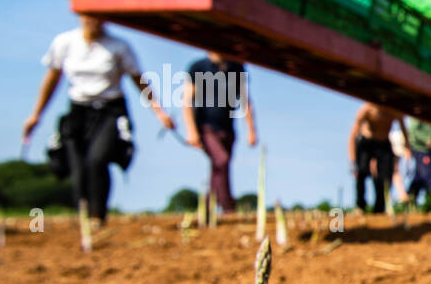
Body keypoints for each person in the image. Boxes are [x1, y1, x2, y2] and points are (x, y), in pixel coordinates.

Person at [22, 15, 174, 225]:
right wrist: (36, 114)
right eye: (88, 16)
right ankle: (84, 212)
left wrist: (159, 111)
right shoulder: (64, 43)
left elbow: (138, 80)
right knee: (77, 167)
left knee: (98, 159)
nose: (93, 21)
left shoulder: (118, 46)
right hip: (78, 110)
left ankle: (97, 215)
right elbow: (52, 79)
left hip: (111, 110)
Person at [181, 50, 256, 215]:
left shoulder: (237, 68)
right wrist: (192, 131)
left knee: (219, 167)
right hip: (206, 127)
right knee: (222, 161)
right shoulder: (198, 67)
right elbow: (187, 101)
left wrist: (251, 130)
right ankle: (228, 208)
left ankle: (207, 210)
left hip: (228, 128)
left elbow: (245, 100)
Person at [349, 102, 406, 213]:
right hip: (367, 142)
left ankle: (379, 208)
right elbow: (353, 136)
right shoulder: (367, 110)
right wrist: (353, 161)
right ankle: (360, 206)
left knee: (385, 177)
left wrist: (407, 148)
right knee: (361, 171)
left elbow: (404, 129)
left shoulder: (393, 111)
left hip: (384, 144)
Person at [404, 117, 431, 208]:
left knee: (423, 175)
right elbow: (413, 131)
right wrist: (425, 140)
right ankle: (429, 202)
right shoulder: (418, 115)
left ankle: (412, 201)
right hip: (421, 149)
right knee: (427, 177)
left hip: (430, 151)